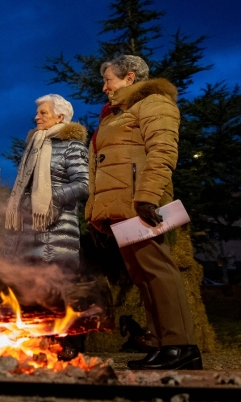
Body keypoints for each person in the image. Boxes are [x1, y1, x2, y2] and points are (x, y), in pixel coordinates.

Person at [86, 55, 201, 370]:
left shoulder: (153, 103)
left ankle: (181, 346)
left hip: (140, 205)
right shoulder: (118, 113)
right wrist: (98, 215)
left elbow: (163, 149)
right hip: (122, 208)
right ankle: (162, 344)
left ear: (129, 78)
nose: (104, 86)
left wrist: (148, 196)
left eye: (109, 79)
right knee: (144, 276)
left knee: (158, 272)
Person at [4, 94, 89, 360]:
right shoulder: (35, 146)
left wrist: (50, 198)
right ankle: (42, 343)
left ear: (60, 117)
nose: (37, 117)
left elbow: (84, 184)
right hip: (30, 232)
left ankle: (69, 344)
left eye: (43, 112)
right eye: (37, 112)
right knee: (36, 290)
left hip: (58, 230)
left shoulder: (71, 146)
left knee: (60, 288)